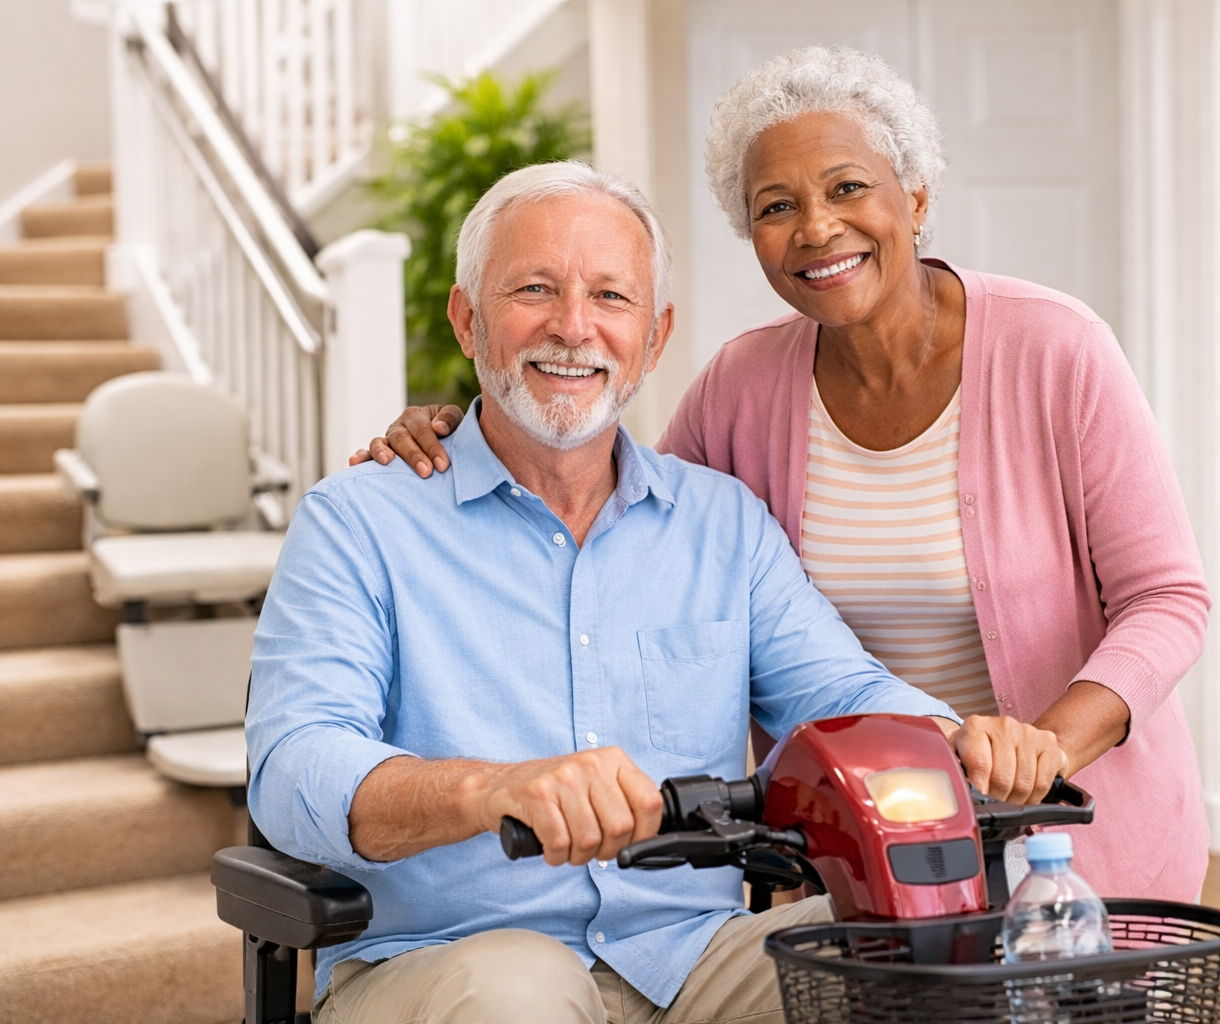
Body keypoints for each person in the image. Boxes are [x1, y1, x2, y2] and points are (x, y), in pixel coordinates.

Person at [361, 47, 1213, 904]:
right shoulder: (745, 385)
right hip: (867, 835)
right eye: (777, 206)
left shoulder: (1056, 349)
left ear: (913, 198)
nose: (816, 227)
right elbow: (618, 505)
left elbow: (1168, 599)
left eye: (847, 187)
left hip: (1066, 827)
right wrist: (468, 424)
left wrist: (1047, 749)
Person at [250, 160, 1064, 1024]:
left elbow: (839, 691)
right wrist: (489, 791)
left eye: (611, 297)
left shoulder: (723, 524)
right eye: (534, 289)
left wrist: (952, 737)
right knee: (519, 995)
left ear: (655, 334)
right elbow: (294, 765)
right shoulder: (358, 522)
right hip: (443, 959)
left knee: (913, 957)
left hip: (689, 954)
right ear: (468, 320)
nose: (574, 328)